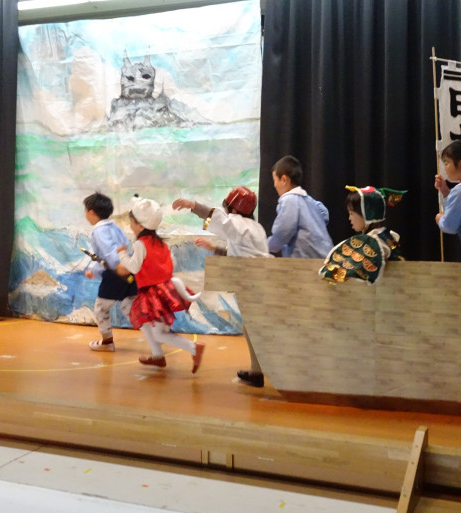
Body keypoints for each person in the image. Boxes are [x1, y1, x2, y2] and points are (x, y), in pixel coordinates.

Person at [173, 186, 270, 387]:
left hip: (252, 283)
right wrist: (214, 248)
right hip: (261, 281)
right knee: (251, 325)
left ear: (233, 209)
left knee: (253, 326)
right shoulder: (255, 227)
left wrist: (192, 205)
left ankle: (258, 372)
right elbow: (239, 252)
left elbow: (218, 218)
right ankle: (257, 370)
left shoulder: (238, 223)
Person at [115, 196, 205, 372]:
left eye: (131, 222)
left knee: (158, 333)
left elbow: (134, 267)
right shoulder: (162, 244)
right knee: (145, 322)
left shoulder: (140, 244)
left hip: (153, 295)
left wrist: (122, 254)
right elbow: (171, 264)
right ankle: (157, 356)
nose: (130, 225)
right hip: (164, 291)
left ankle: (194, 348)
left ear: (140, 225)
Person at [82, 192, 135, 352]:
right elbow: (123, 249)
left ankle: (107, 342)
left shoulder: (99, 231)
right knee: (130, 309)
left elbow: (109, 255)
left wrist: (95, 270)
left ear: (91, 212)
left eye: (85, 211)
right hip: (130, 271)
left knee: (101, 308)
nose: (85, 214)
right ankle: (159, 332)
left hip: (115, 275)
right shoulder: (115, 227)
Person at [320, 186, 405, 284]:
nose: (349, 218)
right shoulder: (384, 236)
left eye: (351, 213)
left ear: (367, 214)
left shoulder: (375, 241)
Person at [266, 155, 333, 259]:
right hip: (326, 257)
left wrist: (264, 247)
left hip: (307, 261)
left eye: (275, 180)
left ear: (284, 180)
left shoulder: (289, 200)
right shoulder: (309, 200)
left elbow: (283, 232)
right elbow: (324, 213)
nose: (274, 185)